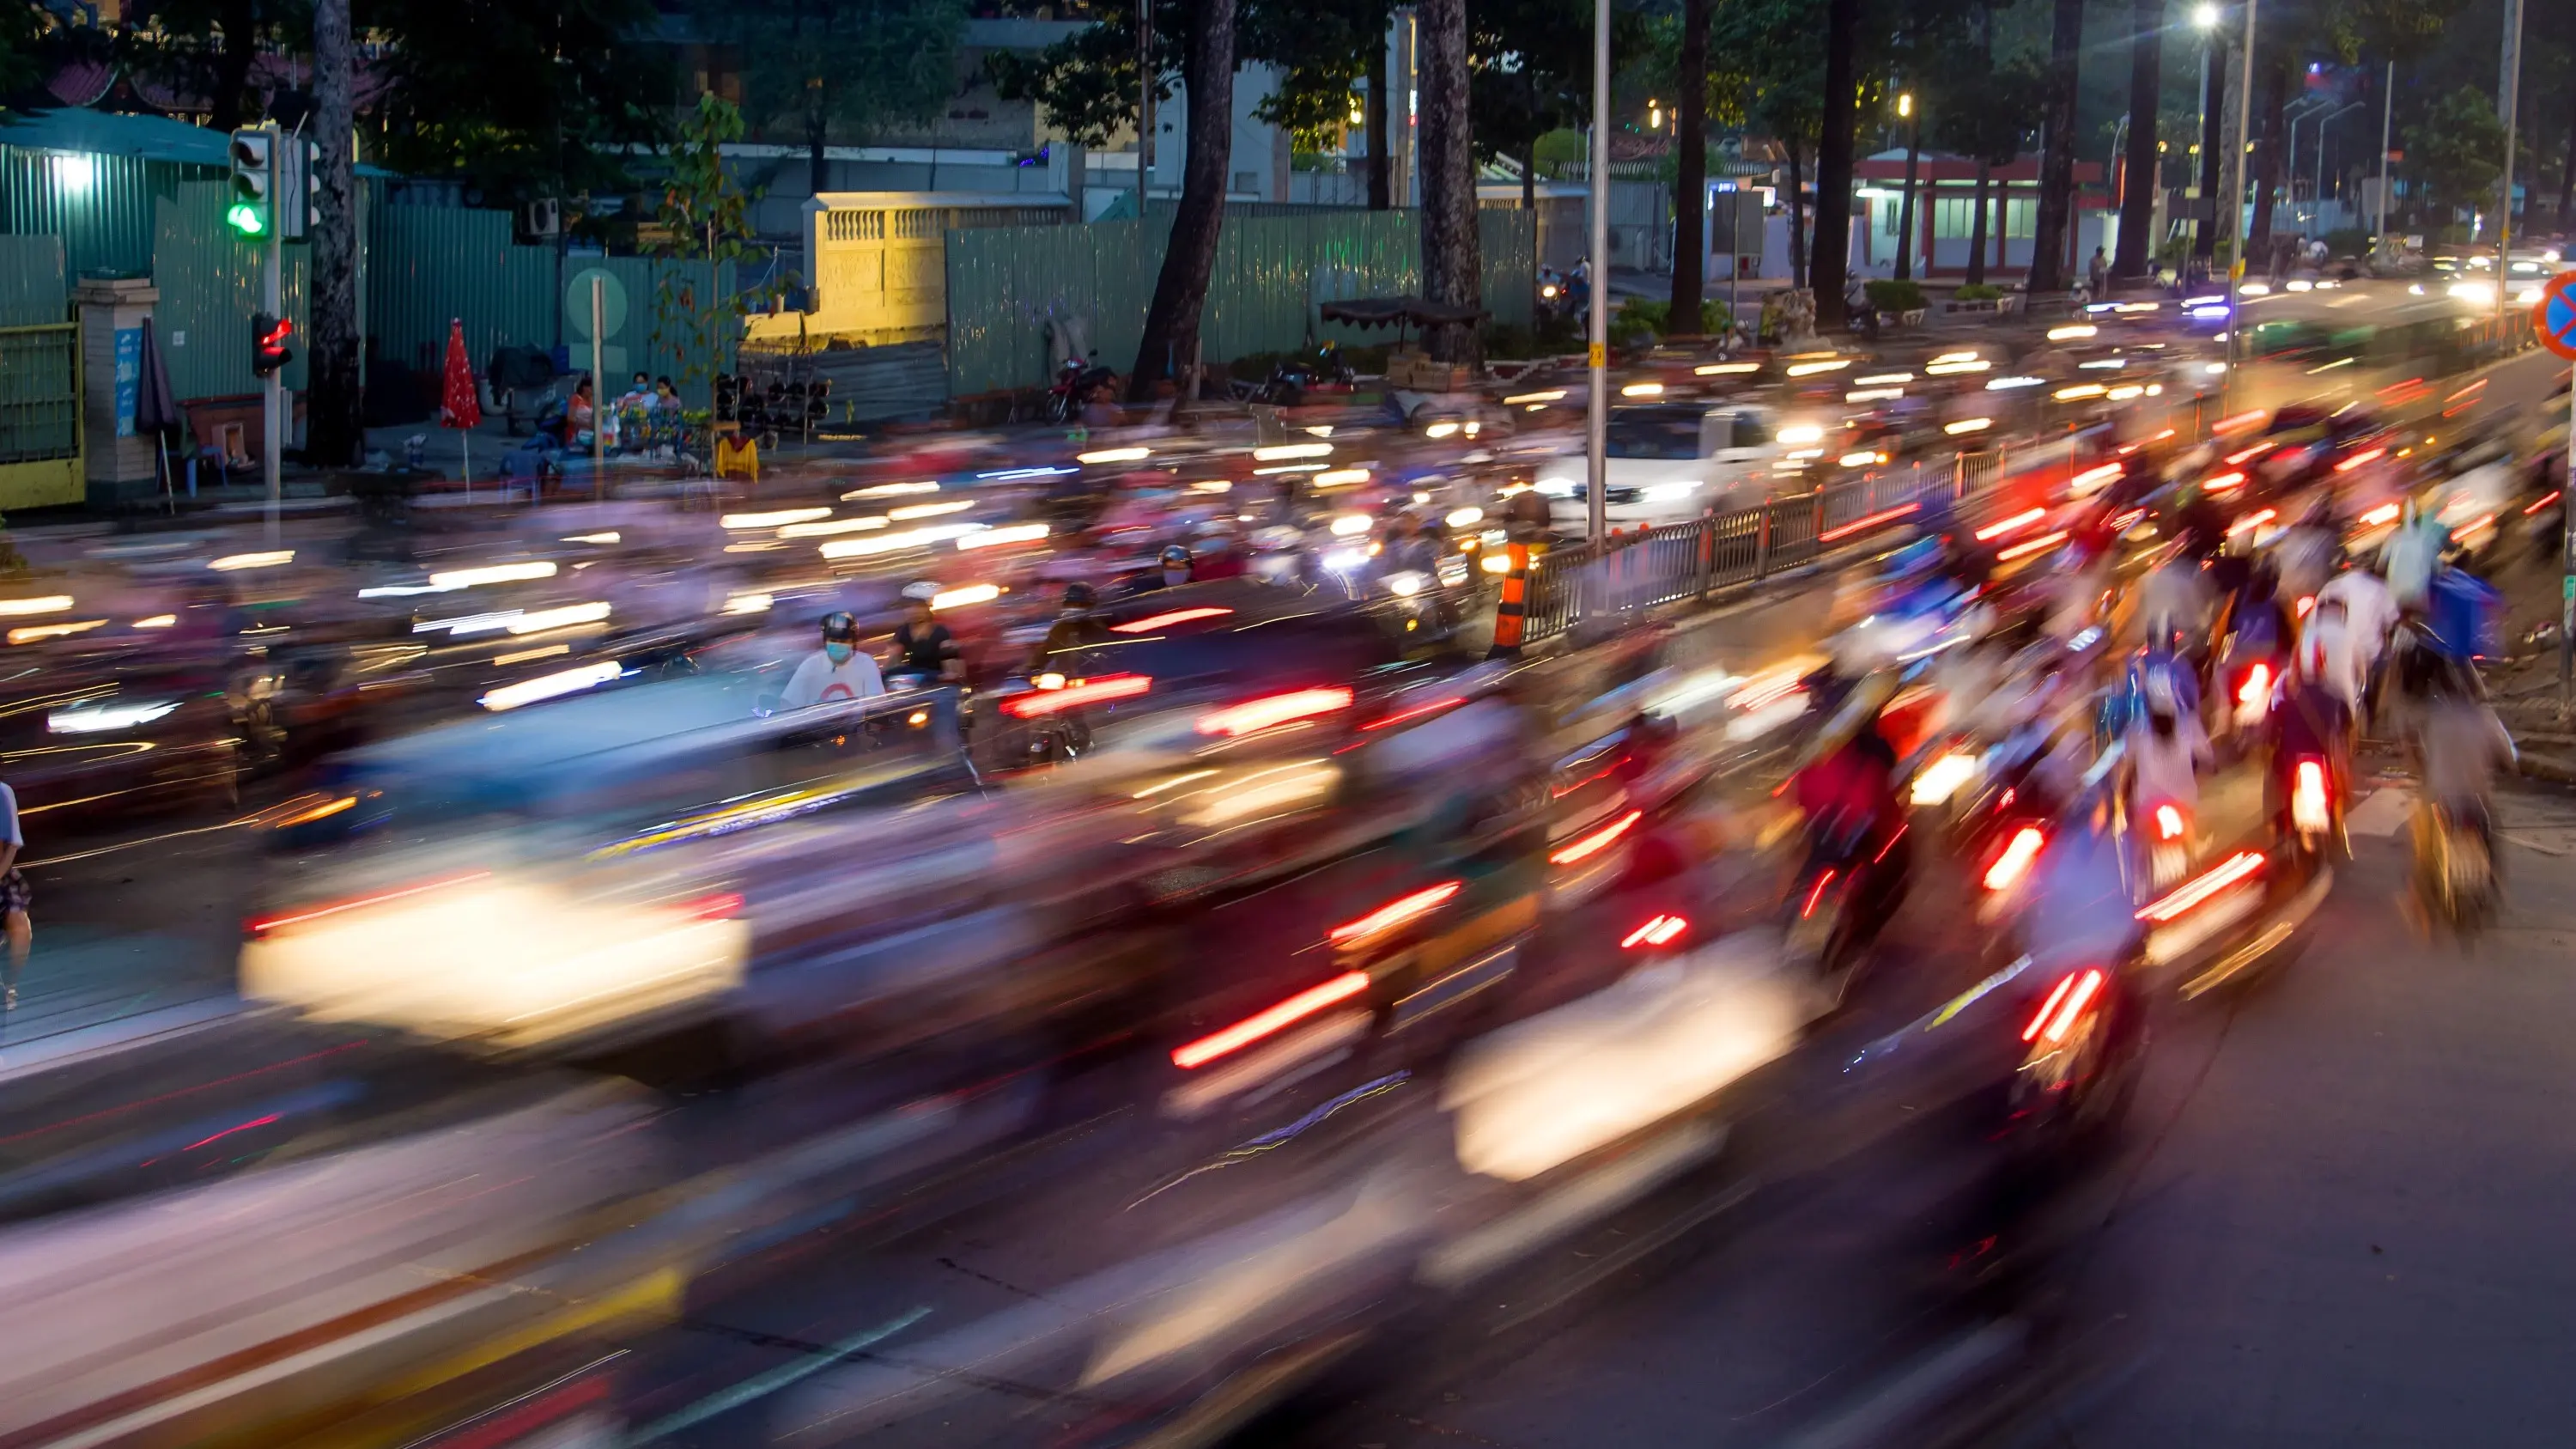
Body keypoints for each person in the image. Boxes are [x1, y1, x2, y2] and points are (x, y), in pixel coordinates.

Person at [779, 611, 886, 709]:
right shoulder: (811, 665)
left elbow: (877, 706)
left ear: (853, 642)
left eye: (844, 641)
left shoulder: (866, 664)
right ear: (825, 641)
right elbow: (789, 704)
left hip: (857, 728)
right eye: (833, 640)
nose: (838, 645)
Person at [888, 582, 965, 684]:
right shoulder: (903, 631)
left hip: (940, 686)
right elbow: (892, 665)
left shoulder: (942, 633)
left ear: (928, 608)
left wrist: (931, 678)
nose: (912, 611)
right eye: (908, 607)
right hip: (916, 685)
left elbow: (952, 674)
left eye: (917, 607)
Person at [0, 777, 24, 1013]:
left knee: (19, 925)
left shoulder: (3, 793)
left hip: (1, 875)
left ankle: (14, 983)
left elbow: (12, 845)